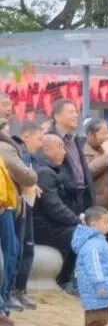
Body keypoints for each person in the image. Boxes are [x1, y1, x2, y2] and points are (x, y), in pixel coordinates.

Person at [32, 134, 81, 293]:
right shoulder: (44, 173)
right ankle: (65, 280)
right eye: (60, 147)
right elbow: (53, 207)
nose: (64, 152)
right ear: (46, 150)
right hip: (42, 226)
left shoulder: (50, 170)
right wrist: (77, 221)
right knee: (79, 234)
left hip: (49, 223)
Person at [0, 112, 37, 314]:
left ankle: (5, 300)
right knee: (10, 252)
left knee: (12, 251)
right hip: (5, 205)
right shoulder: (6, 148)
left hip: (7, 202)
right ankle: (4, 299)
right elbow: (28, 176)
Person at [11, 120, 43, 311]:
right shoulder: (18, 152)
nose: (41, 144)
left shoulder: (30, 156)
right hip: (19, 206)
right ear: (26, 137)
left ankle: (21, 290)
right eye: (38, 139)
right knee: (18, 249)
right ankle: (11, 291)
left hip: (29, 206)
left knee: (28, 249)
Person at [73, 206, 108, 326]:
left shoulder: (98, 241)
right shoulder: (93, 245)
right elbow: (94, 266)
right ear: (94, 224)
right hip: (96, 289)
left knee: (100, 317)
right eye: (105, 222)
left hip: (97, 289)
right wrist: (99, 283)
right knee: (97, 318)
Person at [48, 99, 94, 213]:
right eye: (71, 112)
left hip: (83, 197)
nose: (76, 115)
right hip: (64, 199)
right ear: (57, 117)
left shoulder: (76, 139)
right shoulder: (49, 140)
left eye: (76, 112)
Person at [82, 120, 108, 211]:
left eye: (107, 133)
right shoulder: (83, 152)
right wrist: (106, 156)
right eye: (103, 134)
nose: (106, 137)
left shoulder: (107, 148)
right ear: (90, 135)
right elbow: (88, 172)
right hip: (96, 203)